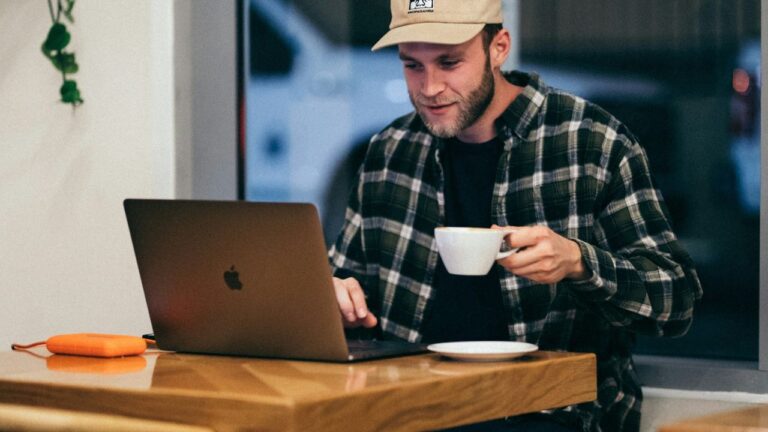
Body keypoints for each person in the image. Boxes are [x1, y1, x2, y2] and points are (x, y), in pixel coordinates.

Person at [328, 0, 703, 430]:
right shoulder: (389, 150)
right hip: (413, 408)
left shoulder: (592, 143)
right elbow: (343, 282)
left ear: (499, 48)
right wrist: (337, 299)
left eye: (449, 63)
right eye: (413, 65)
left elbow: (677, 301)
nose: (429, 87)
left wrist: (579, 263)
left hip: (550, 414)